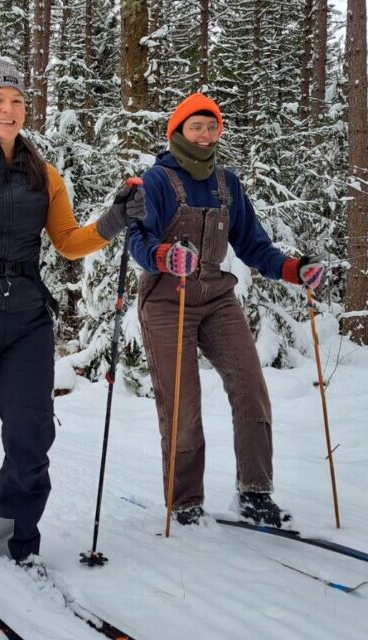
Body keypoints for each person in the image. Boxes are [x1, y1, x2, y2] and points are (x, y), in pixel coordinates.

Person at [0, 58, 146, 571]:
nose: (8, 109)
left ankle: (18, 543)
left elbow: (67, 242)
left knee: (31, 434)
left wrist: (113, 220)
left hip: (26, 319)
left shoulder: (45, 173)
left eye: (16, 101)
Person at [127, 93, 325, 528]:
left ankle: (255, 493)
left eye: (211, 126)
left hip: (216, 297)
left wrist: (294, 269)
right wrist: (162, 256)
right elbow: (136, 238)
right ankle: (185, 503)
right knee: (183, 403)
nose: (204, 135)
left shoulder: (226, 183)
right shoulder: (158, 180)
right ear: (177, 132)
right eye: (195, 127)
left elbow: (253, 244)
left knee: (250, 386)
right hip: (165, 298)